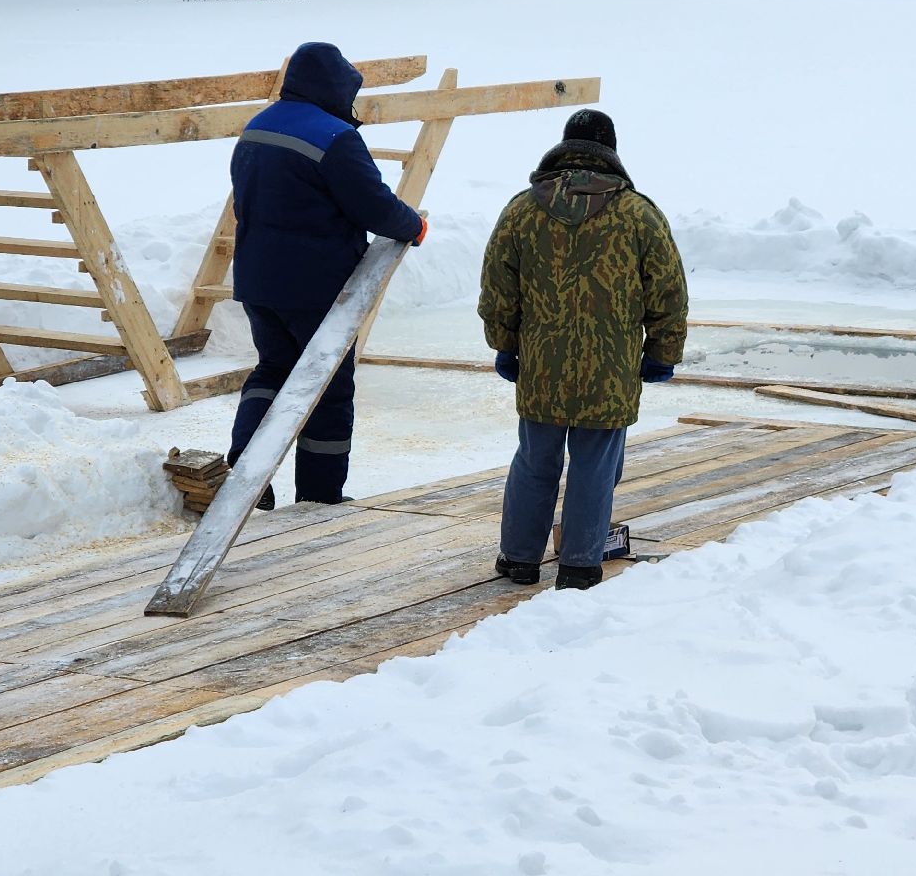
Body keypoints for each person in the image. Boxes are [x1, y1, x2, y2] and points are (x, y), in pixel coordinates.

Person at [479, 109, 688, 590]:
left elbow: (497, 289)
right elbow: (668, 293)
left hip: (541, 366)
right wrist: (662, 352)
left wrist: (505, 344)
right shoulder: (638, 214)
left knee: (535, 460)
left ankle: (518, 559)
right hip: (609, 369)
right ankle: (578, 564)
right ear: (611, 151)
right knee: (596, 464)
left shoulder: (522, 212)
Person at [227, 41, 427, 506]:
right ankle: (319, 497)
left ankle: (245, 462)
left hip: (257, 280)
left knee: (273, 369)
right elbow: (373, 205)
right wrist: (413, 226)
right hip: (316, 288)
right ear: (333, 87)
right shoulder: (334, 137)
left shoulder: (257, 127)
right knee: (329, 389)